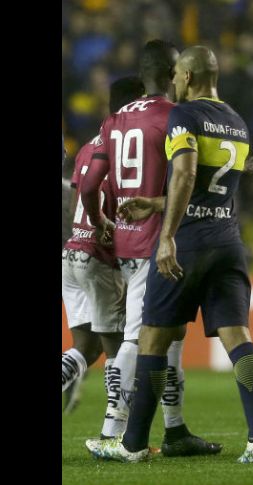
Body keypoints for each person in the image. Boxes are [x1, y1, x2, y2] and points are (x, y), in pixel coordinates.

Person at [87, 45, 253, 464]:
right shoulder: (236, 122)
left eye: (177, 78)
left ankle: (131, 444)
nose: (173, 84)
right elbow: (212, 183)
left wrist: (166, 235)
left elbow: (187, 173)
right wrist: (154, 204)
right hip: (228, 242)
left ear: (185, 76)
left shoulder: (183, 116)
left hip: (188, 244)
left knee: (152, 337)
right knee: (238, 339)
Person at [81, 40, 220, 457]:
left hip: (124, 237)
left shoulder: (115, 118)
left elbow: (89, 184)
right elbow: (189, 173)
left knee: (171, 333)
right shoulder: (174, 116)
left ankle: (175, 430)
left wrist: (101, 219)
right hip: (159, 238)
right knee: (140, 334)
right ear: (173, 71)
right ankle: (112, 430)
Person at [61, 77, 144, 414]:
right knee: (118, 349)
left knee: (85, 347)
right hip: (98, 256)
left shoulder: (88, 145)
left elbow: (75, 201)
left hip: (71, 253)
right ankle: (115, 427)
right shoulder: (125, 146)